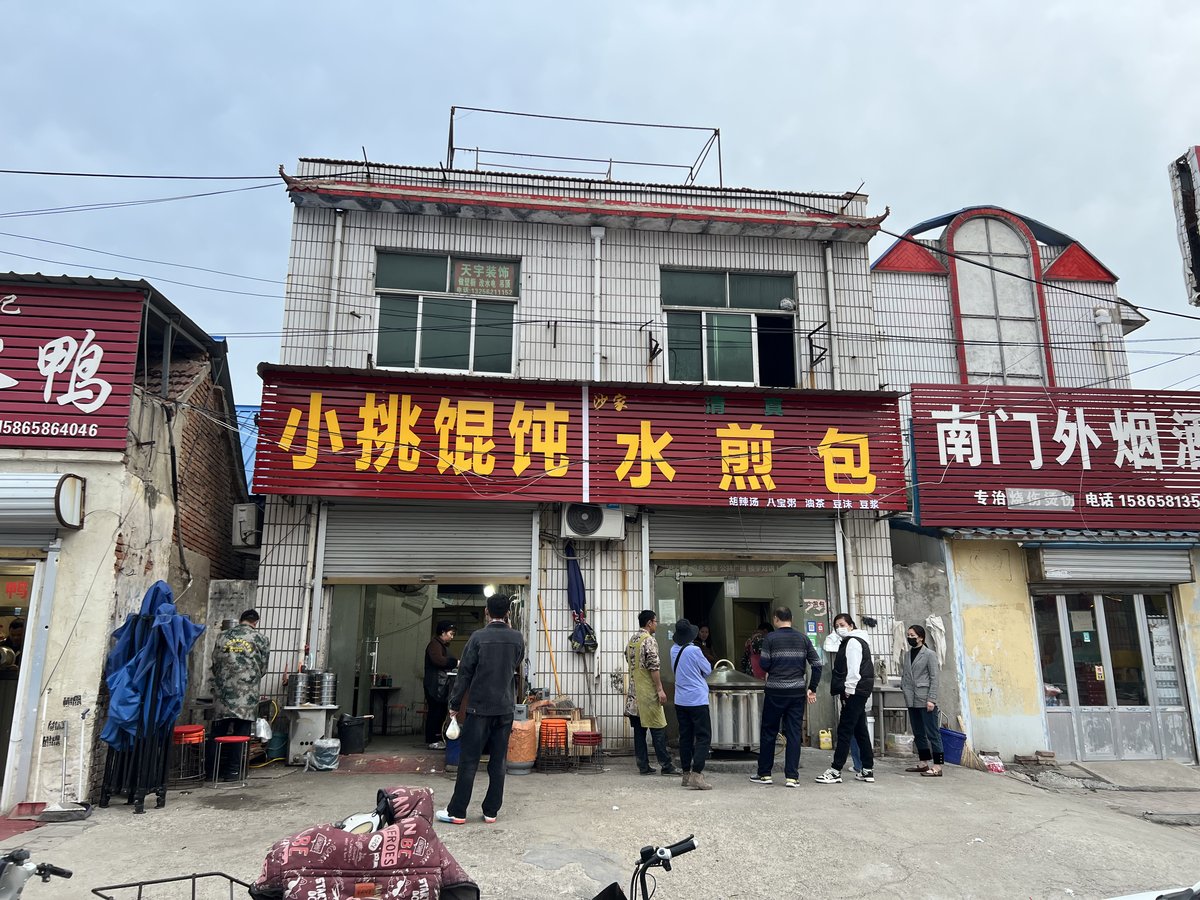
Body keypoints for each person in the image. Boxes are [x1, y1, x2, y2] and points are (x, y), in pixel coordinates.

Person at [436, 593, 525, 825]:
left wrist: (454, 705)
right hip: (505, 709)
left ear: (487, 612)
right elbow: (515, 663)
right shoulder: (517, 638)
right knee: (498, 761)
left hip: (479, 708)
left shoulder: (477, 638)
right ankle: (491, 811)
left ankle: (458, 811)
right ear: (507, 613)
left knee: (469, 760)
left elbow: (464, 673)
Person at [749, 606, 821, 787]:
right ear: (792, 618)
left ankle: (765, 774)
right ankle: (792, 777)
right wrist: (812, 687)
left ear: (775, 619)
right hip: (797, 692)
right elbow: (817, 664)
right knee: (794, 733)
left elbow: (764, 664)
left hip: (775, 692)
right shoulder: (803, 638)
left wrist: (776, 666)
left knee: (769, 732)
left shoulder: (770, 638)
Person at [210, 609, 270, 780]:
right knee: (240, 734)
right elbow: (263, 668)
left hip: (222, 692)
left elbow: (214, 662)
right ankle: (233, 772)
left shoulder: (222, 636)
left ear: (241, 620)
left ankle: (212, 772)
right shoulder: (260, 639)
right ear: (255, 622)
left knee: (217, 733)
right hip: (246, 695)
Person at [816, 612, 875, 785]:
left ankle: (835, 770)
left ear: (851, 625)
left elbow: (853, 669)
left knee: (845, 730)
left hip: (855, 691)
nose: (839, 628)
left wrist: (848, 690)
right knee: (860, 730)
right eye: (836, 626)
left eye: (842, 624)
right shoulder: (859, 640)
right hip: (861, 690)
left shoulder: (853, 642)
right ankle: (867, 769)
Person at [624, 610, 678, 777]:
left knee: (639, 732)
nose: (657, 624)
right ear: (649, 623)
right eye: (655, 621)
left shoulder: (633, 640)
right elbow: (653, 666)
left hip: (634, 693)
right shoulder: (649, 641)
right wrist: (660, 689)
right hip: (647, 692)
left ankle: (643, 765)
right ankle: (666, 766)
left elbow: (628, 658)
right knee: (658, 728)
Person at [670, 618, 713, 790]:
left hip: (680, 700)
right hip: (697, 699)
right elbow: (708, 670)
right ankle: (697, 774)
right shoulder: (694, 650)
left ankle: (686, 774)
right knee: (703, 737)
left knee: (685, 737)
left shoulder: (673, 650)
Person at [901, 624, 944, 777]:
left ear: (920, 637)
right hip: (911, 699)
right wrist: (903, 687)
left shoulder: (929, 654)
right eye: (908, 635)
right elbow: (905, 674)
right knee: (918, 732)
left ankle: (937, 766)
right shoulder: (906, 654)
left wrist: (931, 699)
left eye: (912, 635)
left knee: (932, 733)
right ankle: (924, 762)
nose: (909, 638)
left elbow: (934, 677)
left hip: (925, 698)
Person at [423, 620, 458, 750]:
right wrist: (455, 663)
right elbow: (438, 660)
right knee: (435, 711)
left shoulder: (441, 645)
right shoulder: (434, 645)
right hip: (434, 685)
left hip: (439, 685)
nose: (452, 637)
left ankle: (437, 738)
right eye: (450, 633)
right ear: (442, 632)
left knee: (439, 711)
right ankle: (433, 739)